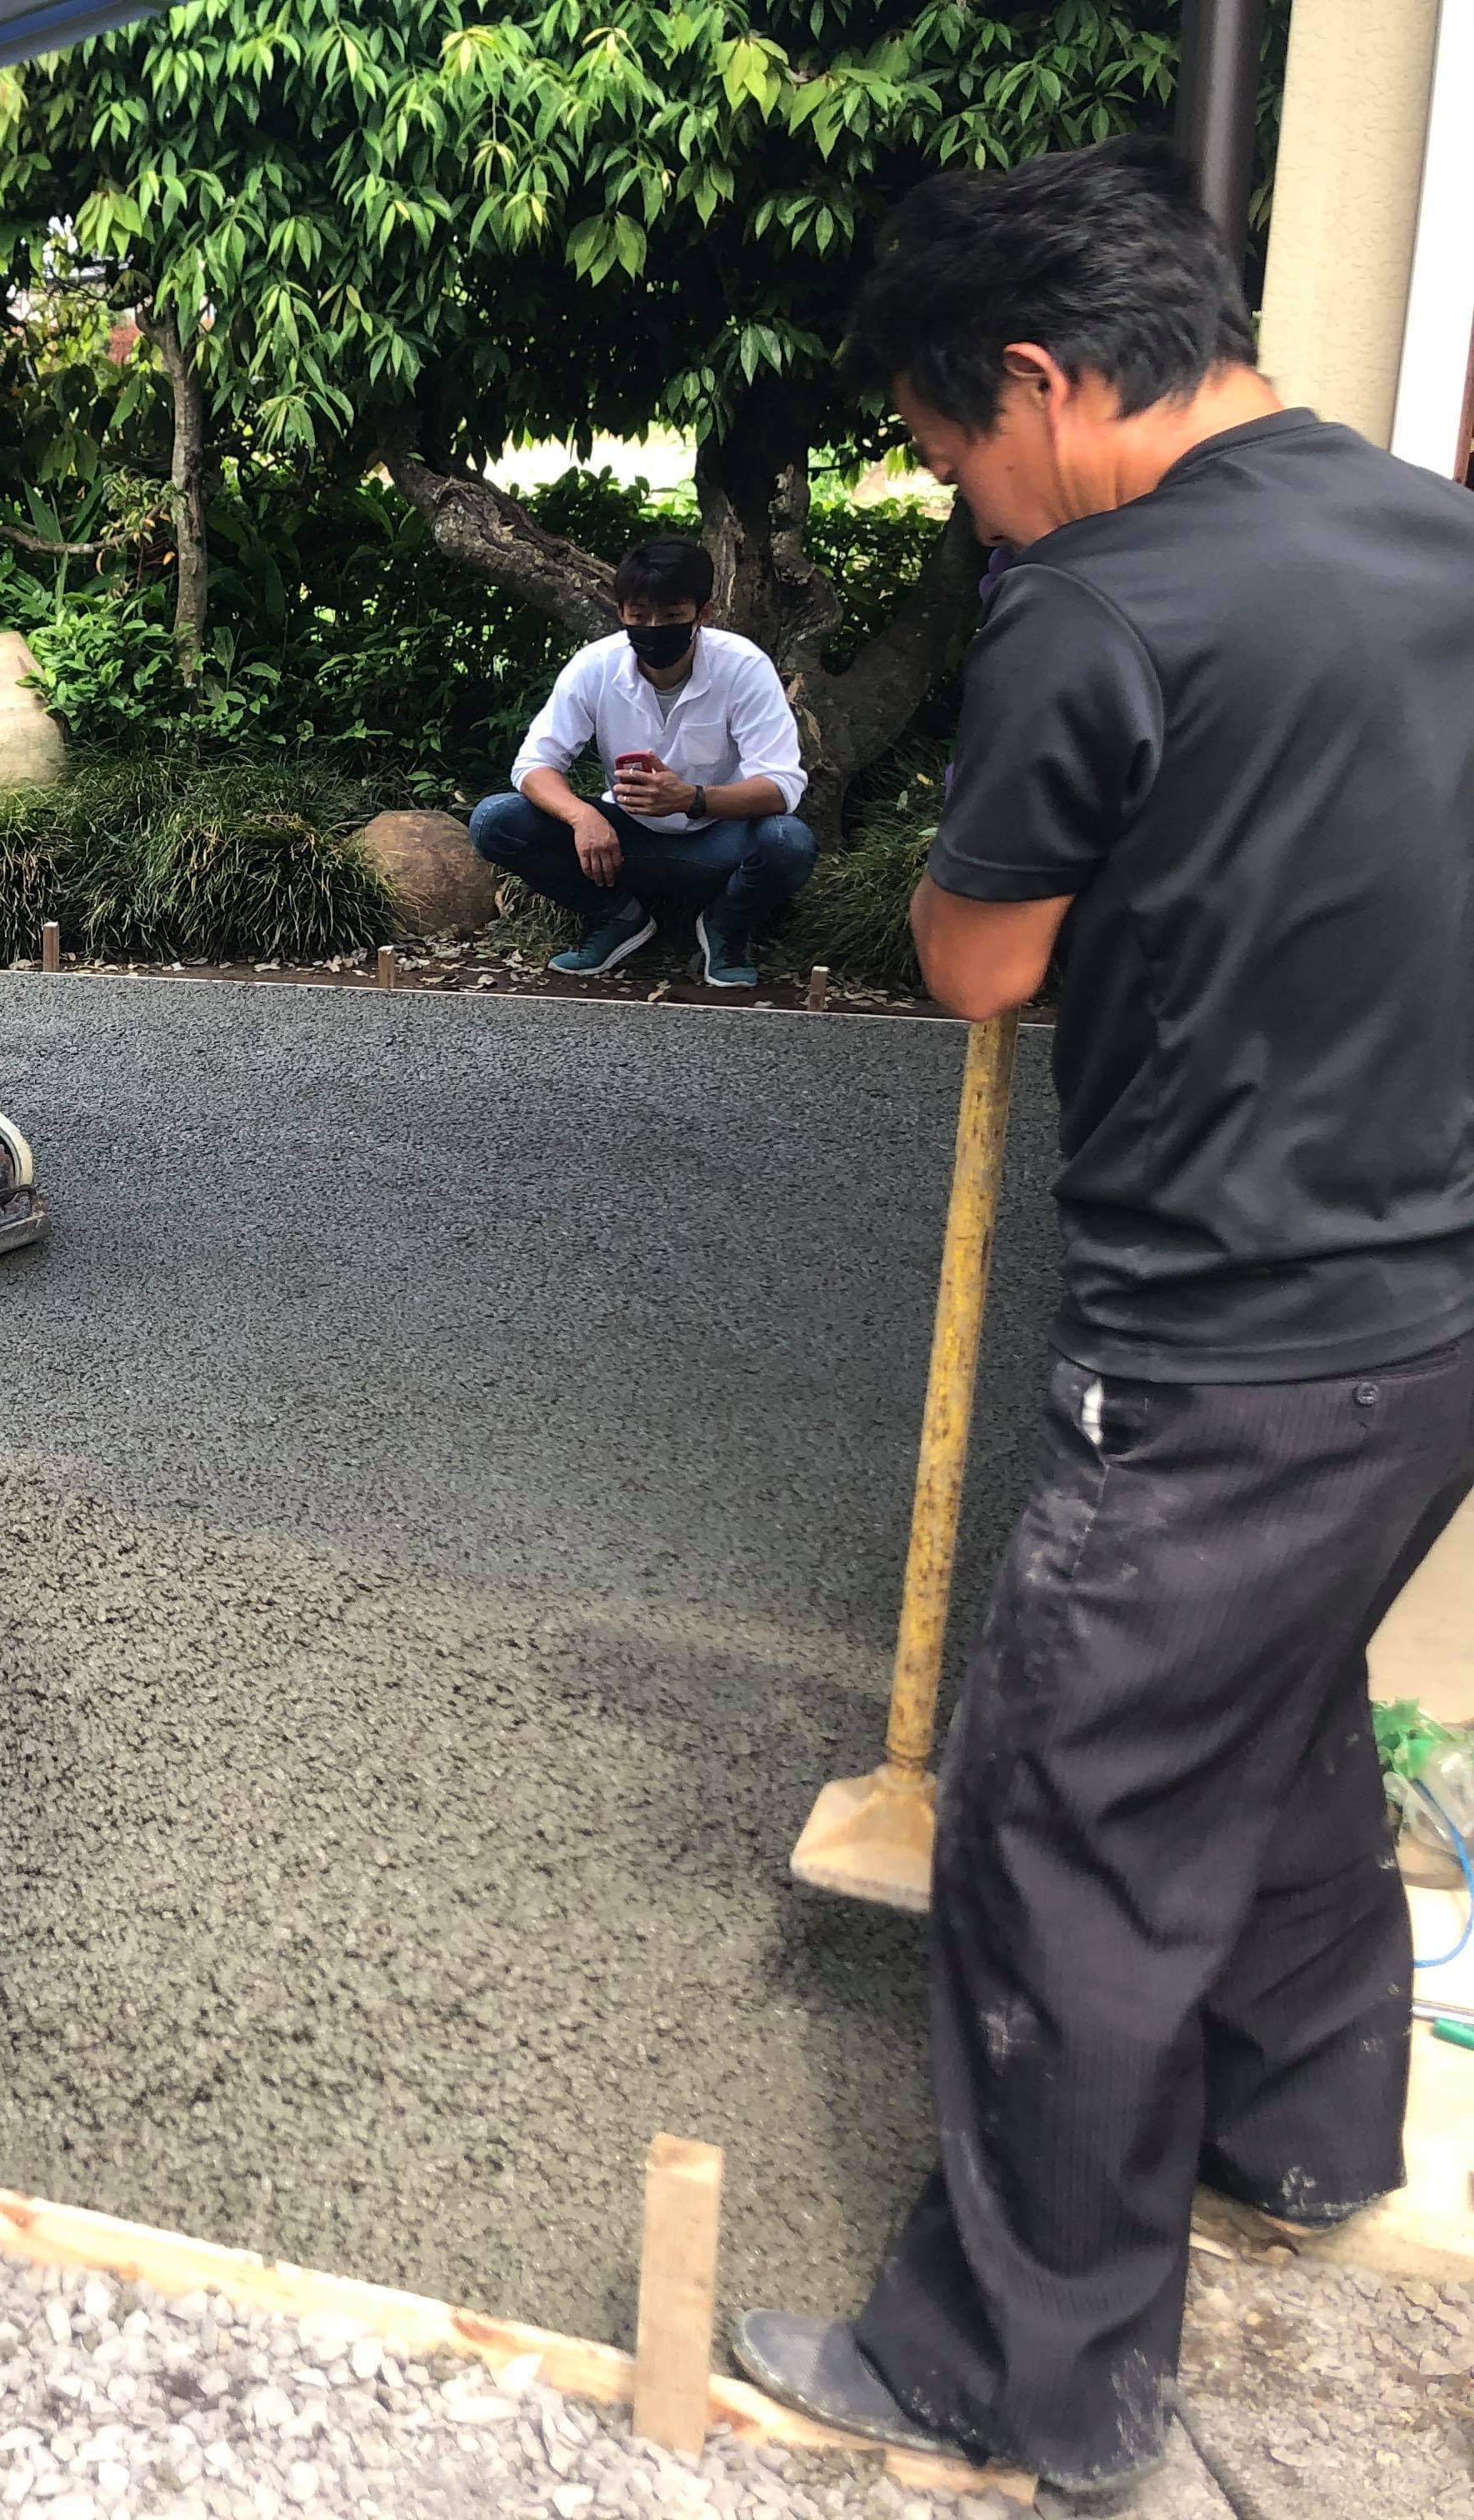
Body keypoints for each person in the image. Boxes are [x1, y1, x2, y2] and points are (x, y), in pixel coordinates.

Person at [732, 135, 1474, 2506]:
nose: (970, 511)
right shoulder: (1433, 539)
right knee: (1266, 1713)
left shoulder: (1108, 610)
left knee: (1070, 1819)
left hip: (1222, 1340)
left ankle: (1014, 2372)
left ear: (1043, 381)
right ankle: (1305, 2126)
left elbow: (979, 956)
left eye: (960, 455)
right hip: (1432, 1311)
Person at [469, 538, 815, 987]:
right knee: (494, 819)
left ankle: (725, 930)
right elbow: (534, 764)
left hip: (719, 841)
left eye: (672, 616)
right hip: (623, 839)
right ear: (622, 613)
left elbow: (783, 785)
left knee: (789, 840)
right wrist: (582, 817)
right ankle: (618, 918)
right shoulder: (595, 666)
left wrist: (692, 799)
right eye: (640, 616)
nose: (654, 627)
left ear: (702, 614)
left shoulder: (743, 667)